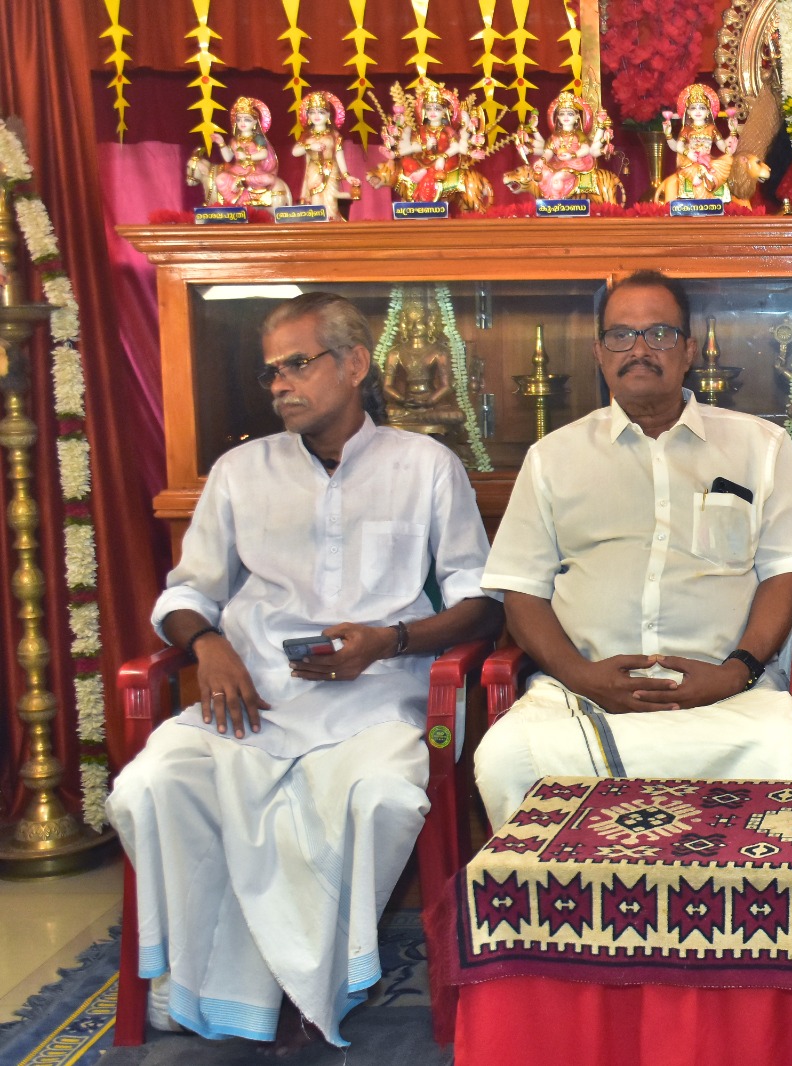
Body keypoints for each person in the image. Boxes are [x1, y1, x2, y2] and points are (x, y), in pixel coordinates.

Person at [107, 293, 503, 1053]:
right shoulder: (239, 471)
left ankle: (311, 981)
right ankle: (205, 981)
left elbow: (480, 602)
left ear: (354, 365)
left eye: (297, 364)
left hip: (377, 700)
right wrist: (207, 645)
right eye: (271, 372)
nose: (281, 385)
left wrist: (388, 641)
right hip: (252, 698)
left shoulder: (425, 466)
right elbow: (186, 593)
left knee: (381, 798)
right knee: (150, 785)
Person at [474, 270, 792, 829]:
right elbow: (522, 591)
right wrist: (581, 675)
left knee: (782, 756)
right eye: (621, 335)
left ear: (689, 350)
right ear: (599, 351)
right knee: (506, 759)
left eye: (659, 334)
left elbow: (783, 576)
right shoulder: (553, 458)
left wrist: (733, 673)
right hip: (584, 691)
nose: (639, 350)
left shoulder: (759, 447)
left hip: (726, 694)